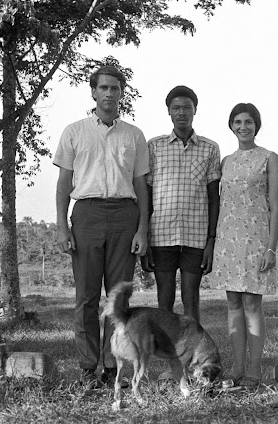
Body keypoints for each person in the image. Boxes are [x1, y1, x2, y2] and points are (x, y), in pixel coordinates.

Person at [54, 66, 149, 389]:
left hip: (125, 215)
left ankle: (112, 366)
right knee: (86, 297)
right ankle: (87, 366)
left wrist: (142, 230)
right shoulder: (74, 132)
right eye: (104, 88)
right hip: (87, 215)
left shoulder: (134, 135)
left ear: (122, 94)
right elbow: (64, 183)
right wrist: (62, 227)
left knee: (118, 298)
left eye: (115, 88)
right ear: (93, 92)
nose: (109, 93)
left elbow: (141, 184)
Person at [211, 103, 278, 388]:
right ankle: (237, 367)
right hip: (228, 239)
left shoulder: (270, 159)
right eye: (238, 122)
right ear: (231, 125)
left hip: (256, 240)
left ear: (257, 125)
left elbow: (275, 209)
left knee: (252, 303)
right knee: (232, 304)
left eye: (249, 122)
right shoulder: (226, 161)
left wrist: (271, 248)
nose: (243, 127)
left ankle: (254, 370)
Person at [141, 85, 221, 325]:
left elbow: (213, 196)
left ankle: (193, 354)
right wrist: (144, 236)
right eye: (176, 108)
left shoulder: (210, 148)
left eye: (187, 107)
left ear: (195, 110)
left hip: (195, 236)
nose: (181, 112)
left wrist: (210, 241)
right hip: (161, 235)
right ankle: (169, 354)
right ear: (168, 111)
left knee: (191, 300)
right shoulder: (154, 146)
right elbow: (146, 191)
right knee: (164, 301)